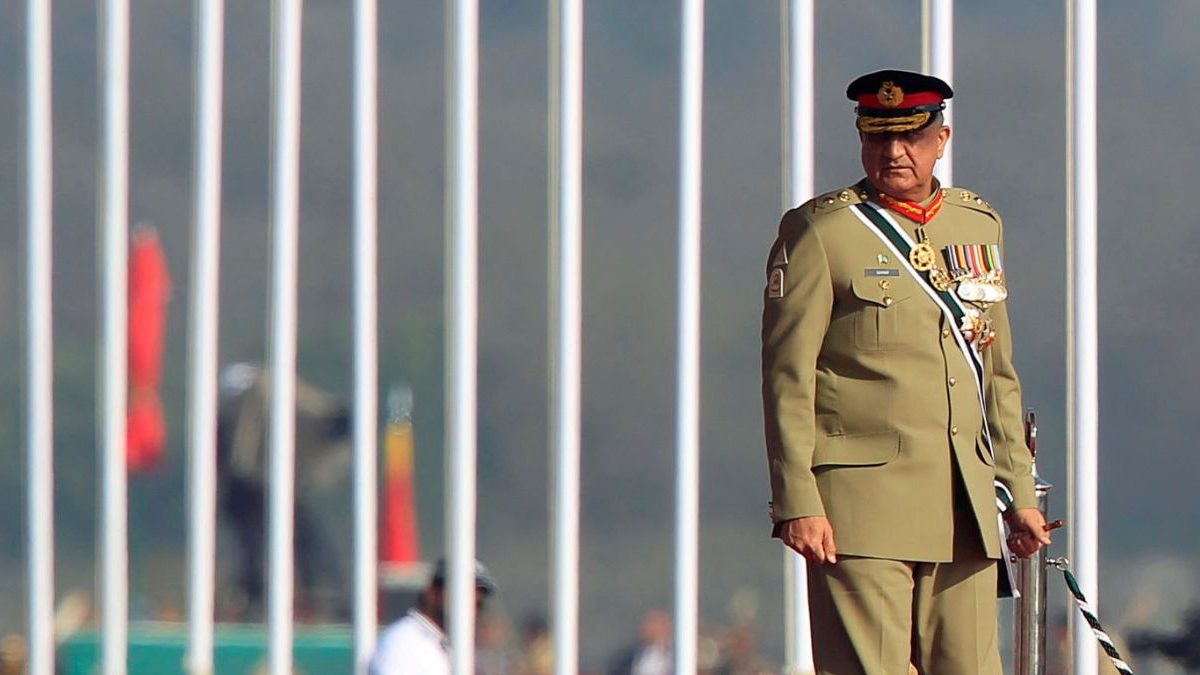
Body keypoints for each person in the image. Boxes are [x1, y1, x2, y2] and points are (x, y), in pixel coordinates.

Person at [761, 69, 1052, 674]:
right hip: (859, 508)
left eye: (910, 138)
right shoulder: (823, 231)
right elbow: (789, 376)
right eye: (877, 138)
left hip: (963, 506)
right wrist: (798, 499)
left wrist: (1018, 493)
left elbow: (995, 374)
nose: (893, 152)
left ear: (940, 139)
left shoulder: (978, 226)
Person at [368, 558, 497, 675]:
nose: (470, 611)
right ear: (433, 593)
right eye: (463, 599)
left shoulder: (438, 645)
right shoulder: (403, 643)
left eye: (477, 604)